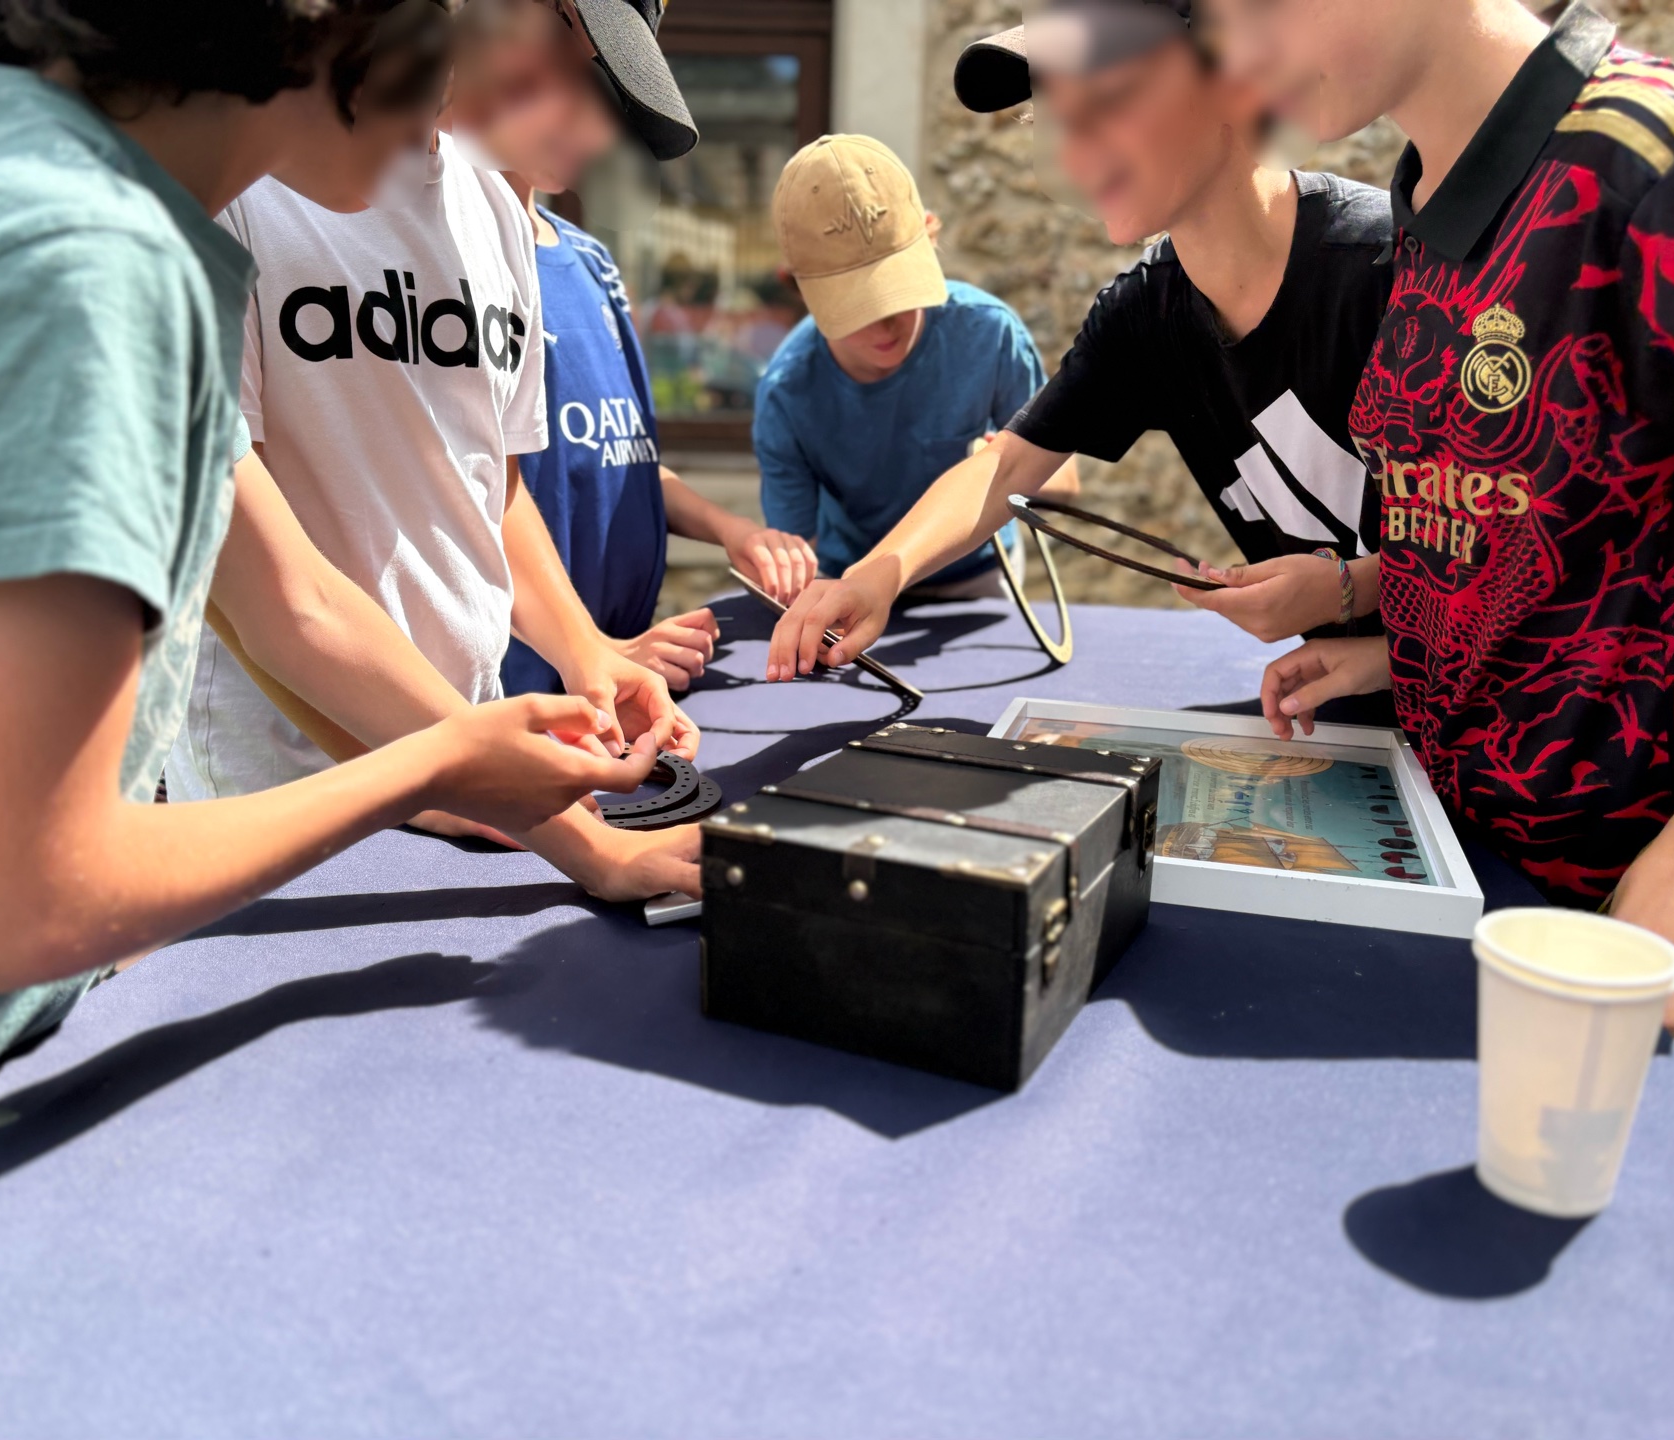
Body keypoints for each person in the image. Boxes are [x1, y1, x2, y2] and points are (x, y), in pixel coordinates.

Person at [0, 0, 668, 1162]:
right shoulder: (79, 256)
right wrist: (433, 767)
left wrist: (579, 839)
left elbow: (291, 599)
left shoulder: (52, 181)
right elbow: (27, 900)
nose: (468, 80)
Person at [1206, 0, 1674, 1040]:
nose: (1238, 61)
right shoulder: (1428, 202)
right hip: (1484, 899)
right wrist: (1405, 651)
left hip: (1658, 961)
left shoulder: (1651, 163)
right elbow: (1552, 513)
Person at [164, 0, 703, 898]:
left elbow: (492, 483)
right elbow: (281, 602)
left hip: (467, 753)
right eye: (569, 58)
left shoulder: (495, 205)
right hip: (287, 787)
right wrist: (582, 845)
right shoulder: (235, 193)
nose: (580, 115)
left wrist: (584, 648)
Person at [764, 0, 1394, 690]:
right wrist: (876, 577)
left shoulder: (1392, 269)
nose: (1076, 148)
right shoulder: (1145, 313)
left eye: (1108, 102)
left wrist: (1353, 593)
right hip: (1359, 706)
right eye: (1056, 118)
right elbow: (1007, 466)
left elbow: (1491, 548)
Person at [489, 14, 819, 696]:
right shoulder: (456, 271)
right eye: (591, 89)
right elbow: (474, 491)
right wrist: (594, 651)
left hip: (620, 674)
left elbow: (622, 459)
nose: (602, 133)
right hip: (527, 685)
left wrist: (731, 530)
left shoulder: (592, 263)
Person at [750, 131, 1080, 643]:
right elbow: (798, 555)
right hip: (847, 583)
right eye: (856, 304)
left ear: (930, 237)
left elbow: (1065, 481)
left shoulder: (990, 334)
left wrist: (1002, 468)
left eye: (897, 291)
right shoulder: (786, 391)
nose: (885, 324)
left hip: (976, 581)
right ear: (799, 287)